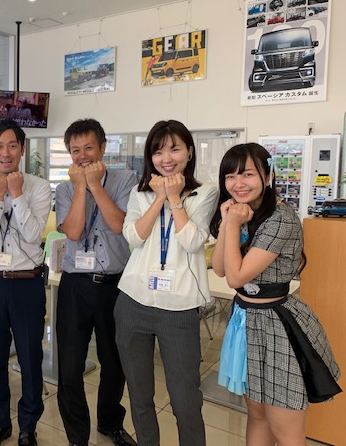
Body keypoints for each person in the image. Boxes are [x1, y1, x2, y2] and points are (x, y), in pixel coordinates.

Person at [210, 143, 341, 445]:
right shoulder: (245, 213)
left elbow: (236, 277)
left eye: (247, 174)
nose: (238, 183)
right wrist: (228, 223)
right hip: (245, 319)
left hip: (277, 327)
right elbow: (219, 268)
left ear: (267, 176)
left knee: (285, 428)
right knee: (256, 414)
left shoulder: (281, 218)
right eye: (230, 176)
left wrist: (232, 224)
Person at [114, 120, 217, 446]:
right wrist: (158, 198)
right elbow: (134, 236)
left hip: (179, 307)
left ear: (189, 152)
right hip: (133, 301)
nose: (166, 158)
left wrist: (174, 198)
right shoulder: (139, 193)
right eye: (158, 151)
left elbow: (192, 241)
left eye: (174, 149)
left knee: (186, 400)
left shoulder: (205, 192)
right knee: (140, 395)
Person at [0, 119, 51, 446]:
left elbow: (33, 235)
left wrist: (16, 195)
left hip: (27, 283)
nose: (6, 152)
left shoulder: (39, 186)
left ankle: (28, 425)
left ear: (22, 150)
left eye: (12, 145)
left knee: (30, 357)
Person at [55, 119, 137, 446]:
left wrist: (96, 187)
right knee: (70, 365)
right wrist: (80, 188)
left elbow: (119, 226)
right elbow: (74, 232)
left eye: (88, 148)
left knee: (114, 361)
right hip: (75, 285)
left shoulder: (126, 180)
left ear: (103, 147)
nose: (82, 156)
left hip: (114, 285)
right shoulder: (64, 189)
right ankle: (77, 436)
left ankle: (110, 423)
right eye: (75, 150)